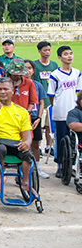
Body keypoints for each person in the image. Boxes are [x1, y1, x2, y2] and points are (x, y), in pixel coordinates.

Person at [0, 77, 34, 195]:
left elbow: (27, 134)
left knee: (27, 152)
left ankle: (25, 181)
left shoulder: (22, 111)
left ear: (12, 91)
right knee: (1, 148)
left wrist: (27, 143)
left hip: (14, 143)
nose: (3, 92)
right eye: (0, 89)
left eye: (6, 89)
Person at [47, 45, 82, 178]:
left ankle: (71, 166)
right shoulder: (55, 75)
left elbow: (78, 92)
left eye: (70, 53)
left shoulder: (77, 73)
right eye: (66, 54)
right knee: (61, 140)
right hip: (60, 112)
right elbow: (51, 95)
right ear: (60, 57)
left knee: (74, 141)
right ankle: (60, 166)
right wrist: (55, 106)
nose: (69, 56)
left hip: (73, 112)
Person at [24, 59, 48, 178]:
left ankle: (37, 168)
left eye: (29, 68)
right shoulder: (18, 85)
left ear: (33, 70)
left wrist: (39, 117)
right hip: (22, 119)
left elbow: (41, 102)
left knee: (35, 144)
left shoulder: (38, 85)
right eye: (25, 68)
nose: (27, 71)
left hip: (34, 117)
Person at [33, 41, 57, 157]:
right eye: (45, 50)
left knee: (49, 125)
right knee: (39, 124)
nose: (47, 52)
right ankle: (38, 146)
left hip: (51, 100)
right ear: (39, 51)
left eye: (49, 50)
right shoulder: (35, 65)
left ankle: (48, 146)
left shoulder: (54, 65)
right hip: (40, 100)